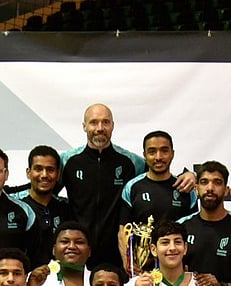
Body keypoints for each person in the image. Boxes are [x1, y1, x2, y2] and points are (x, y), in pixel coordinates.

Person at [61, 104, 194, 267]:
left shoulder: (132, 162)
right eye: (93, 122)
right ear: (84, 126)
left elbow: (159, 174)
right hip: (78, 251)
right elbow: (44, 191)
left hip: (118, 256)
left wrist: (190, 174)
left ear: (113, 125)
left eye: (105, 122)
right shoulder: (67, 161)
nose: (100, 128)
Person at [118, 131, 197, 234]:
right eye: (152, 152)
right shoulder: (131, 187)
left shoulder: (186, 188)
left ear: (172, 154)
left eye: (164, 151)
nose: (158, 157)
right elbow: (123, 232)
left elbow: (194, 231)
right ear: (145, 155)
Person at [13, 146, 73, 268]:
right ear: (28, 173)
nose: (44, 175)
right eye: (38, 169)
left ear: (58, 174)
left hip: (58, 277)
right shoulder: (15, 206)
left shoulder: (67, 207)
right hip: (22, 277)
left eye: (50, 170)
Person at [27, 221, 93, 286]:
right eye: (65, 242)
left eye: (79, 242)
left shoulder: (102, 282)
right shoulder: (34, 279)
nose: (72, 246)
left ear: (89, 251)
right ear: (54, 249)